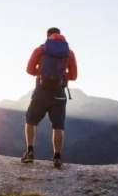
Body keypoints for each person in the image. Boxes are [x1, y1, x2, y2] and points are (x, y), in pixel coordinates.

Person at [21, 27, 78, 169]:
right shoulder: (68, 53)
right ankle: (57, 158)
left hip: (42, 91)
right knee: (58, 126)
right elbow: (73, 76)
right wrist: (61, 77)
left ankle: (29, 152)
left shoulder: (40, 50)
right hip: (59, 93)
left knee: (30, 121)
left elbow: (29, 70)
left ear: (47, 37)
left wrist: (42, 74)